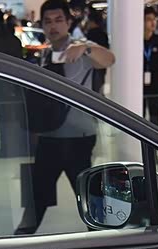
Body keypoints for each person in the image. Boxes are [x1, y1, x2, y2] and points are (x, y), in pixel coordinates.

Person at [15, 0, 116, 234]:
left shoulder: (80, 48)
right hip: (49, 136)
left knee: (90, 200)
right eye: (48, 21)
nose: (53, 26)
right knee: (37, 197)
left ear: (68, 22)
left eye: (59, 20)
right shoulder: (44, 54)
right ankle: (21, 239)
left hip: (78, 138)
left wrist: (86, 47)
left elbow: (110, 59)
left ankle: (104, 244)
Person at [84, 9, 110, 93]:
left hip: (93, 64)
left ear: (92, 21)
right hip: (102, 64)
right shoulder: (103, 34)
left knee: (94, 85)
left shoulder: (91, 33)